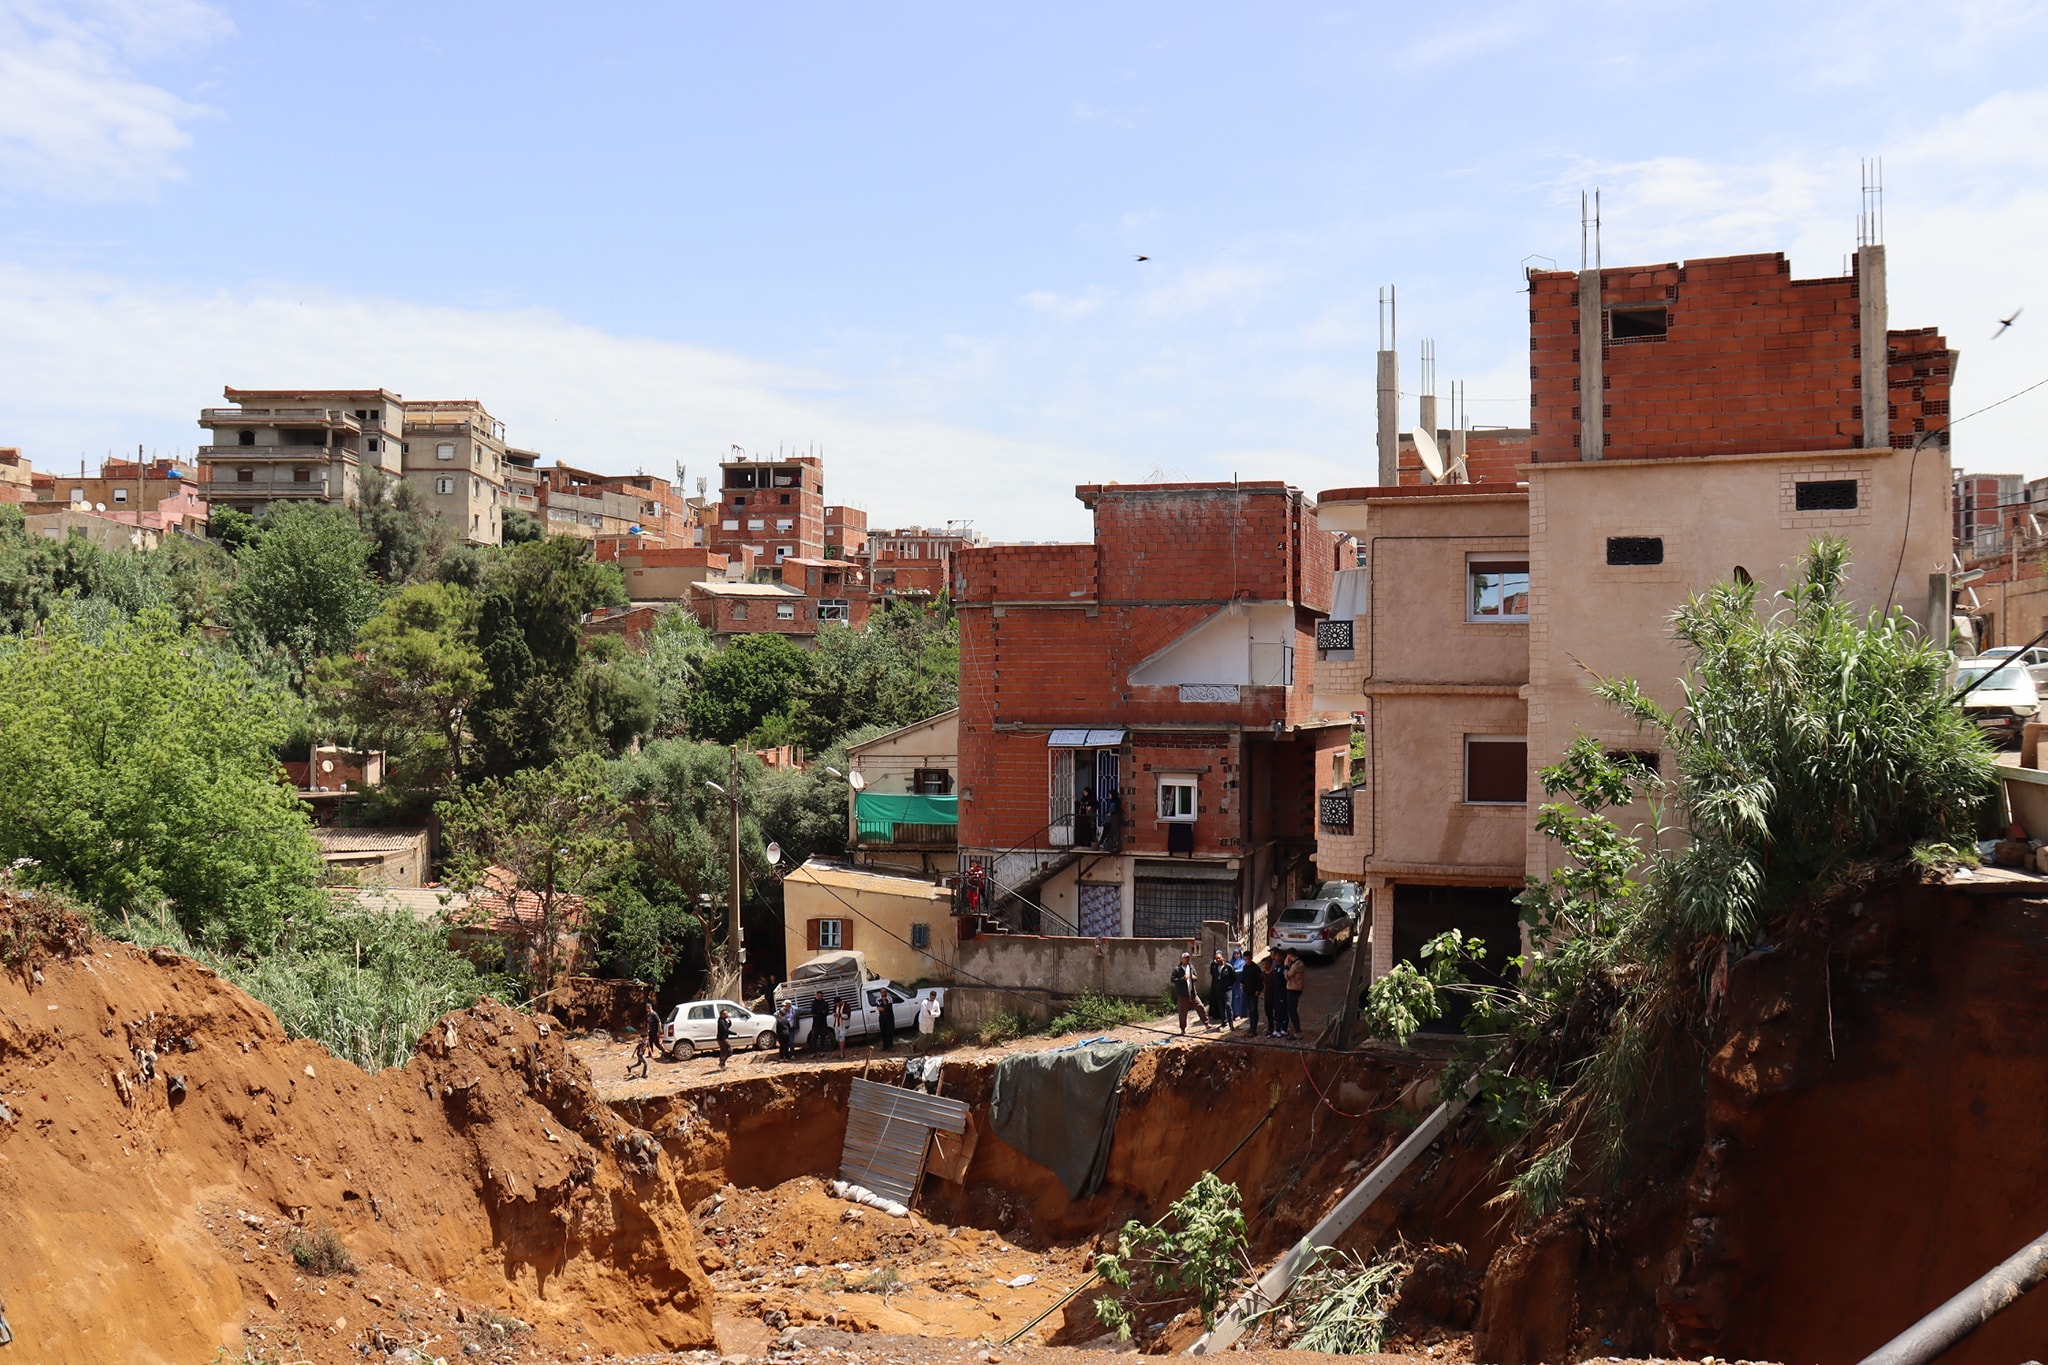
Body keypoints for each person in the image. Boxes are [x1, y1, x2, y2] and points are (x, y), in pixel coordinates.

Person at [1171, 952, 1201, 1035]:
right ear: (1182, 959)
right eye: (1185, 958)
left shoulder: (1191, 967)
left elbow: (1195, 976)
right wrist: (1182, 979)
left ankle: (1206, 1023)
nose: (1187, 959)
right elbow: (1173, 979)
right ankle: (1183, 1029)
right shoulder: (1177, 969)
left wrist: (1194, 977)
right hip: (1182, 994)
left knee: (1200, 1007)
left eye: (1188, 958)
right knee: (1182, 1013)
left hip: (1192, 993)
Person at [1239, 952, 1265, 1037]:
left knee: (1254, 1010)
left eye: (1248, 959)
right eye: (1245, 959)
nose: (1247, 961)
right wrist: (1242, 983)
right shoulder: (1245, 967)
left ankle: (1254, 1029)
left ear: (1251, 958)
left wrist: (1258, 990)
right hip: (1247, 992)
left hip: (1254, 992)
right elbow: (1243, 978)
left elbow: (1260, 980)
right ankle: (1251, 1028)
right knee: (1250, 1011)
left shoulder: (1256, 968)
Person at [1284, 949, 1308, 1039]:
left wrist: (1286, 966)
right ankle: (1296, 1030)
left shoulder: (1297, 965)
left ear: (1290, 955)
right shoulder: (1297, 964)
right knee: (1292, 1010)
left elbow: (1287, 976)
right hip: (1294, 988)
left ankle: (1298, 1032)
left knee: (1292, 1011)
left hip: (1294, 989)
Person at [1264, 953, 1288, 1037]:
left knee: (1282, 1011)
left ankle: (1283, 1029)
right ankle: (1278, 1028)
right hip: (1276, 992)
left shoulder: (1283, 968)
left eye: (1278, 956)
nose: (1276, 957)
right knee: (1277, 1011)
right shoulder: (1276, 967)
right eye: (1276, 956)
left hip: (1282, 992)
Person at [1207, 950, 1232, 1030]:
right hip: (1218, 990)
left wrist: (1229, 985)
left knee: (1228, 1006)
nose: (1218, 960)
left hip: (1227, 990)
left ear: (1222, 958)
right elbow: (1214, 976)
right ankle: (1223, 1022)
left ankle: (1231, 1023)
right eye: (1216, 959)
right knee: (1221, 1007)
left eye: (1219, 958)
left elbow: (1233, 977)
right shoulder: (1214, 967)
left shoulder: (1228, 966)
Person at [1229, 949, 1248, 1025]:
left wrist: (1235, 972)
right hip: (1233, 984)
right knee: (1233, 999)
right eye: (1235, 954)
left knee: (1239, 999)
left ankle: (1240, 1014)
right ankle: (1234, 1013)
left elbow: (1242, 970)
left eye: (1238, 954)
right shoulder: (1231, 962)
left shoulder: (1242, 962)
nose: (1236, 955)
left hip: (1239, 983)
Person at [715, 1005, 734, 1070]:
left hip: (721, 1038)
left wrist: (730, 1022)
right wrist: (735, 1033)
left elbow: (727, 1027)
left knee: (723, 1051)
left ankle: (722, 1065)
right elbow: (725, 1030)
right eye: (726, 1014)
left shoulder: (723, 1020)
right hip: (722, 1039)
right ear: (722, 1015)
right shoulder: (721, 1022)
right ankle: (722, 1062)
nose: (727, 1015)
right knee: (729, 1050)